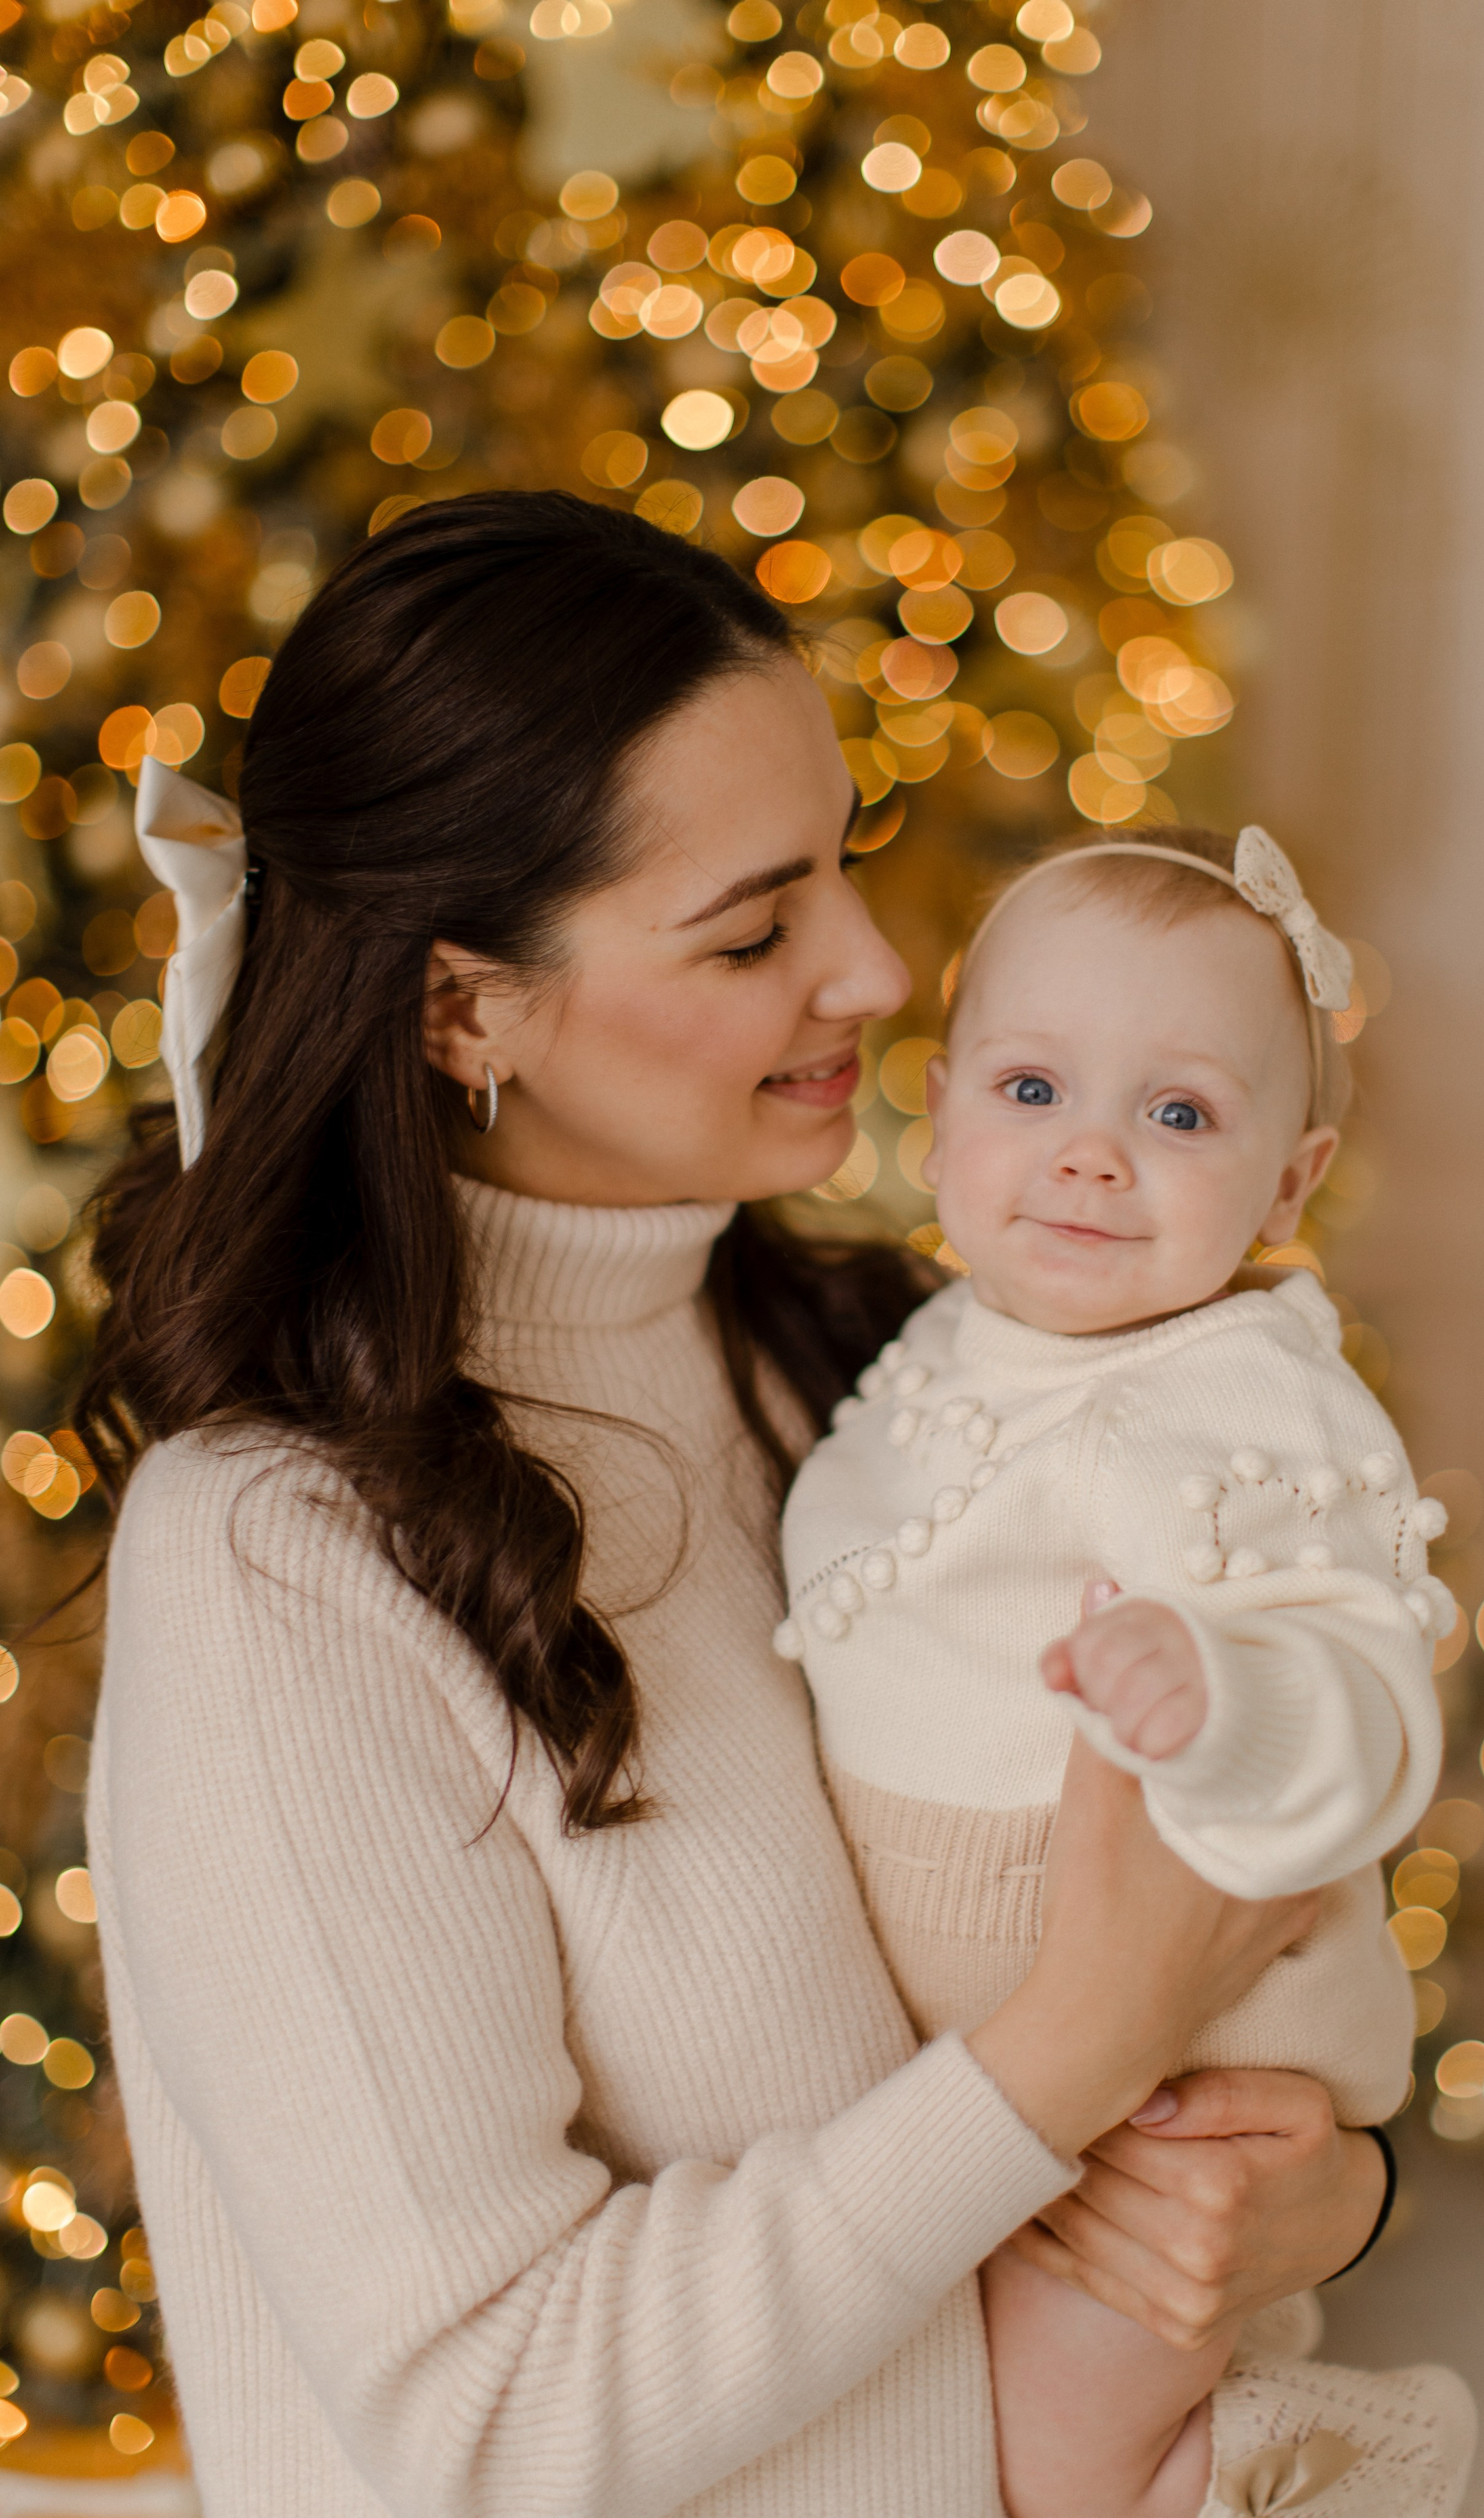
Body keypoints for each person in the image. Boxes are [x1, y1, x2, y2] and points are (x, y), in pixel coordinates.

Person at [81, 492, 1396, 2518]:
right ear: (464, 1011)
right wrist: (1071, 2055)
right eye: (755, 927)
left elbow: (1254, 1931)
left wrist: (1326, 2197)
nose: (879, 971)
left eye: (849, 868)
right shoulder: (275, 1564)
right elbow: (481, 2431)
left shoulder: (876, 1373)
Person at [779, 831, 1477, 2518]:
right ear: (935, 1110)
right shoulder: (934, 1337)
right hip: (978, 2056)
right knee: (937, 2423)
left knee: (1043, 2470)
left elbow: (1371, 1702)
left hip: (1176, 2076)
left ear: (1289, 1185)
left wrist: (1222, 1699)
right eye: (1031, 1090)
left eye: (1176, 1117)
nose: (1090, 1158)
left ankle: (1317, 2466)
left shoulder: (1242, 1394)